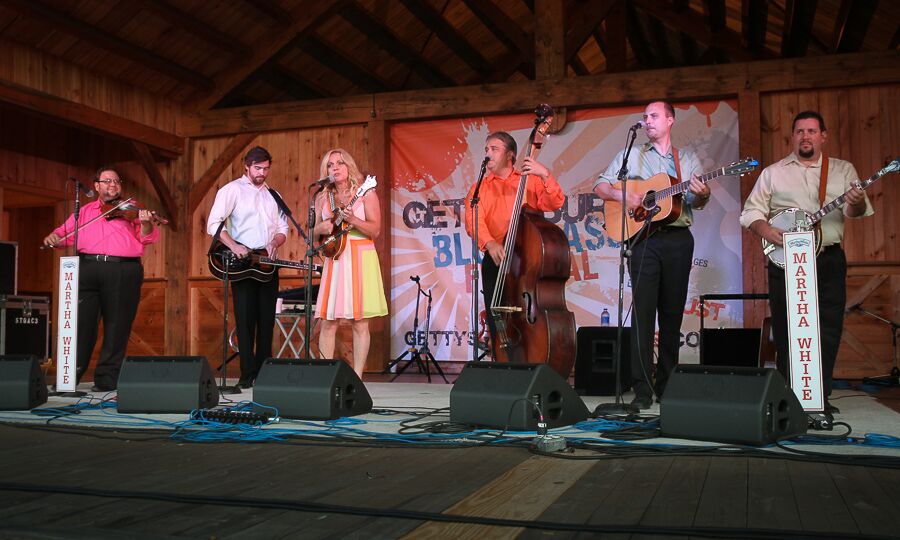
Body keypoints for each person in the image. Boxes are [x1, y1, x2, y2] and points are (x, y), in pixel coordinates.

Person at [740, 110, 873, 415]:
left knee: (828, 326)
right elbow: (750, 212)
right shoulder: (773, 173)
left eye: (812, 131)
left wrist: (857, 202)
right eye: (800, 131)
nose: (805, 136)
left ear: (823, 136)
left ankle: (819, 395)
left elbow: (855, 212)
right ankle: (789, 395)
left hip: (828, 258)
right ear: (793, 136)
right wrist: (766, 230)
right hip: (786, 260)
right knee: (787, 327)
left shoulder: (842, 170)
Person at [593, 101, 711, 410]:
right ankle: (642, 389)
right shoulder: (631, 154)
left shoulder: (686, 159)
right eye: (645, 116)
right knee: (642, 315)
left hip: (677, 240)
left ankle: (667, 385)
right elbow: (600, 185)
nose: (647, 121)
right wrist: (625, 195)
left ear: (670, 120)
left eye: (654, 116)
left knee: (671, 315)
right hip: (643, 239)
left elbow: (696, 202)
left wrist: (703, 194)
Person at [43, 166, 160, 391]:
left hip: (122, 269)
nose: (113, 184)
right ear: (96, 186)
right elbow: (64, 233)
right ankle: (69, 378)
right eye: (107, 181)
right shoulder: (84, 211)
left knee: (117, 326)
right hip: (88, 267)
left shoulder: (132, 209)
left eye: (116, 181)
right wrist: (54, 236)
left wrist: (145, 222)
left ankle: (107, 379)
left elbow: (147, 238)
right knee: (81, 324)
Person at [463, 131, 565, 356]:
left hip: (528, 258)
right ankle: (501, 359)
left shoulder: (529, 180)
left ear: (510, 155)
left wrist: (545, 174)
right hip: (496, 257)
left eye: (494, 149)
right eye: (486, 149)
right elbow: (472, 218)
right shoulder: (480, 187)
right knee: (496, 313)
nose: (488, 154)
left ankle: (534, 355)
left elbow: (554, 202)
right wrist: (490, 243)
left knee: (530, 309)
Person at [206, 146, 288, 389]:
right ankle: (247, 373)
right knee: (245, 319)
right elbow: (213, 224)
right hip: (242, 262)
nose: (262, 173)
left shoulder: (274, 195)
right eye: (258, 168)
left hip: (267, 262)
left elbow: (283, 228)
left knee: (267, 320)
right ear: (247, 166)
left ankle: (264, 373)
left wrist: (275, 242)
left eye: (266, 169)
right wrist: (233, 245)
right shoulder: (232, 190)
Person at [313, 148, 388, 378]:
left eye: (340, 163)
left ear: (349, 166)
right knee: (328, 321)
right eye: (330, 164)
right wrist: (320, 228)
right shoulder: (322, 197)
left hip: (360, 256)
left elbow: (375, 230)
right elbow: (314, 235)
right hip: (335, 257)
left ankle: (357, 378)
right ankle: (326, 377)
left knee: (360, 322)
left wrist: (354, 220)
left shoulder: (365, 193)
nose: (335, 168)